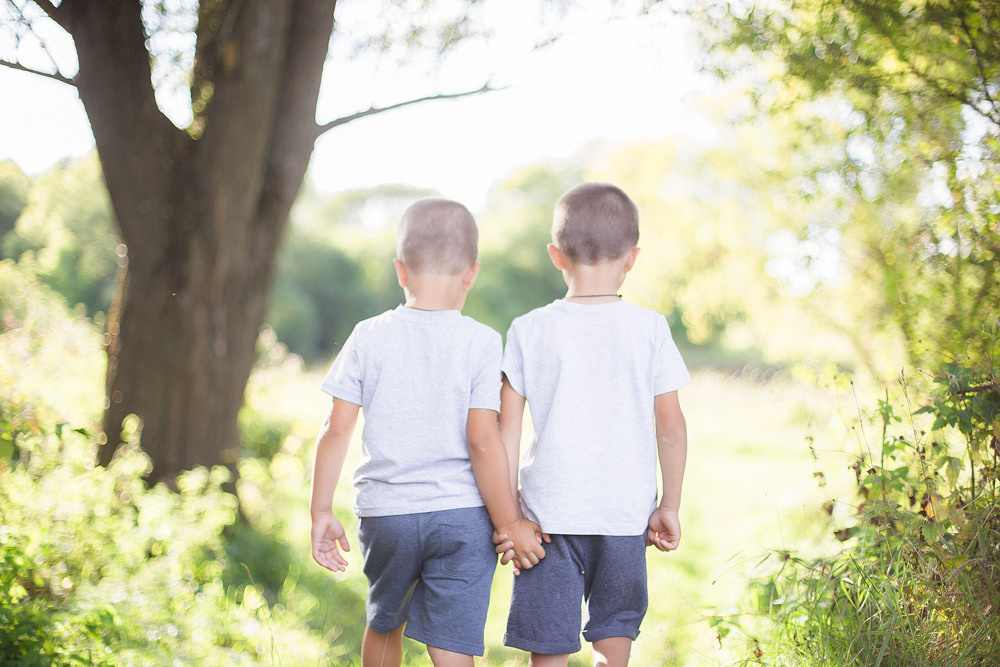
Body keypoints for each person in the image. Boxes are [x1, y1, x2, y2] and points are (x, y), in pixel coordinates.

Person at [309, 198, 546, 667]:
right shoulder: (481, 341)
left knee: (385, 623)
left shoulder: (367, 335)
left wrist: (320, 510)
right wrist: (509, 523)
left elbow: (336, 428)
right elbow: (483, 439)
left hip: (388, 515)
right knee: (451, 640)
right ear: (471, 274)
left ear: (400, 270)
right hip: (463, 515)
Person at [494, 183, 690, 667]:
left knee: (548, 652)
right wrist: (669, 504)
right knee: (614, 641)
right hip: (624, 515)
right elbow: (670, 425)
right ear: (633, 258)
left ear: (555, 256)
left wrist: (510, 516)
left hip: (546, 520)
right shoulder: (650, 329)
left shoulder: (528, 329)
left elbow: (505, 433)